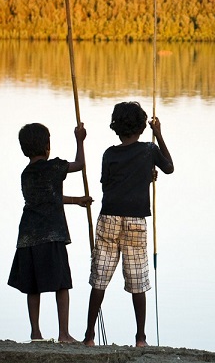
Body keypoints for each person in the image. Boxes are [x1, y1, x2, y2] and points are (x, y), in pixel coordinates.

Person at [82, 102, 174, 347]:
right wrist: (160, 135)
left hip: (109, 218)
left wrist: (145, 175)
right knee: (137, 280)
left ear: (116, 127)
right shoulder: (148, 150)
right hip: (135, 221)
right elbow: (170, 167)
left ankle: (89, 336)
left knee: (100, 277)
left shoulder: (109, 154)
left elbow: (108, 184)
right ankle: (141, 338)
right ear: (143, 127)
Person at [7, 122, 92, 343]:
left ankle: (35, 333)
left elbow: (47, 197)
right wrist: (80, 140)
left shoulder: (26, 174)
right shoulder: (54, 167)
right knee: (61, 284)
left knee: (32, 286)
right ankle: (64, 334)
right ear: (47, 146)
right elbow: (80, 164)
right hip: (52, 234)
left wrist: (77, 201)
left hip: (28, 236)